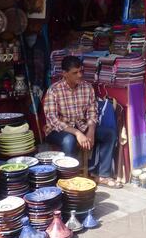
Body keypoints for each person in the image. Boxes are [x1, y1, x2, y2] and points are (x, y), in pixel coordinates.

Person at [43, 56, 121, 188]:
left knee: (109, 134)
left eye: (81, 71)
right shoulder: (54, 90)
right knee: (69, 140)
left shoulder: (87, 87)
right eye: (75, 73)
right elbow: (53, 119)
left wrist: (91, 131)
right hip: (58, 130)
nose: (79, 75)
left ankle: (102, 175)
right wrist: (77, 133)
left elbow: (92, 112)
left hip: (82, 126)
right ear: (64, 73)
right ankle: (69, 178)